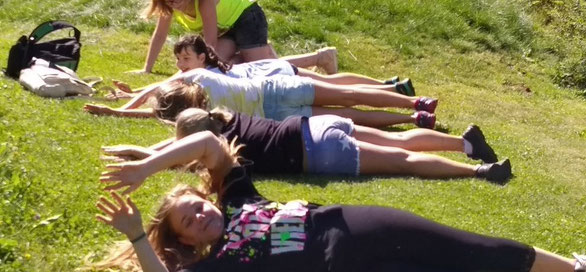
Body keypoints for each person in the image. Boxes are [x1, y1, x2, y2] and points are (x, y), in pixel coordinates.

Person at [94, 131, 586, 272]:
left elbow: (210, 143)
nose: (200, 216)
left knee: (473, 249)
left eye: (196, 206)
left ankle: (579, 266)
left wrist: (146, 167)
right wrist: (139, 237)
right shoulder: (215, 267)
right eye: (189, 222)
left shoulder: (240, 200)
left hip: (361, 225)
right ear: (188, 242)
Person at [102, 107, 511, 182]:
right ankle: (465, 144)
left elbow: (185, 156)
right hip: (316, 126)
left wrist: (143, 155)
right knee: (398, 139)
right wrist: (142, 149)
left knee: (402, 160)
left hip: (318, 153)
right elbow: (188, 143)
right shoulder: (227, 118)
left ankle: (481, 171)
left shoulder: (220, 147)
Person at [84, 68, 438, 128]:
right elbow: (153, 93)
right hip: (277, 89)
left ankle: (415, 119)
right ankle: (415, 103)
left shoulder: (194, 114)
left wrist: (117, 112)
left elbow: (154, 112)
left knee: (349, 116)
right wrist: (122, 105)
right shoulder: (195, 76)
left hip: (275, 117)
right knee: (348, 95)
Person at [111, 35, 415, 99]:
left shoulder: (201, 74)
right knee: (333, 85)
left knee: (334, 87)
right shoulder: (209, 68)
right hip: (269, 71)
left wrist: (132, 96)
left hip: (272, 75)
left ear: (202, 58)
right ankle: (389, 86)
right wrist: (134, 92)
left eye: (185, 59)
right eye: (178, 60)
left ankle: (389, 89)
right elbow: (164, 87)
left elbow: (163, 88)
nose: (180, 66)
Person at [140, 0, 338, 73]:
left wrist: (200, 71)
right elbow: (160, 35)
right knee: (225, 65)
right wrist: (146, 69)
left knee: (263, 69)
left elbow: (209, 43)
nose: (173, 1)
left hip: (247, 17)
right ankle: (259, 52)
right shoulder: (168, 5)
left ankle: (322, 57)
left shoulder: (204, 2)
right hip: (227, 30)